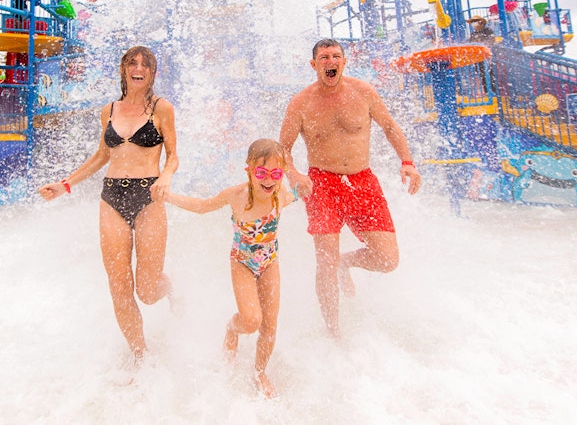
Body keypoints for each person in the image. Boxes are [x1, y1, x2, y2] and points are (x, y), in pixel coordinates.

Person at [38, 45, 178, 361]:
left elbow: (173, 156)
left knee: (147, 290)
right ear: (123, 69)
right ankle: (142, 358)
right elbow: (102, 155)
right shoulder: (109, 110)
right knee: (119, 286)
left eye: (145, 64)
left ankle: (170, 288)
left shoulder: (162, 108)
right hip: (112, 197)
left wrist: (166, 176)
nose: (138, 68)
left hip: (149, 197)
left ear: (152, 73)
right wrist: (65, 185)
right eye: (132, 62)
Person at [279, 38, 421, 337]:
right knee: (325, 262)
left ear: (343, 62)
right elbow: (283, 149)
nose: (330, 61)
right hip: (322, 185)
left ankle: (347, 263)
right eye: (324, 57)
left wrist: (407, 161)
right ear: (314, 64)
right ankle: (334, 332)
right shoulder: (301, 103)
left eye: (336, 56)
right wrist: (293, 175)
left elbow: (391, 127)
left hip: (362, 182)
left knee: (387, 260)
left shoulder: (363, 93)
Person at [165, 139, 290, 399]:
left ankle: (259, 372)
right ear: (249, 171)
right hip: (242, 262)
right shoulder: (236, 195)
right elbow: (201, 207)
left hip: (270, 261)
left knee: (269, 325)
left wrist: (309, 186)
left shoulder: (282, 194)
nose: (268, 181)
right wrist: (168, 196)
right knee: (252, 320)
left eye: (276, 174)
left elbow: (301, 192)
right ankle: (232, 329)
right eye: (261, 173)